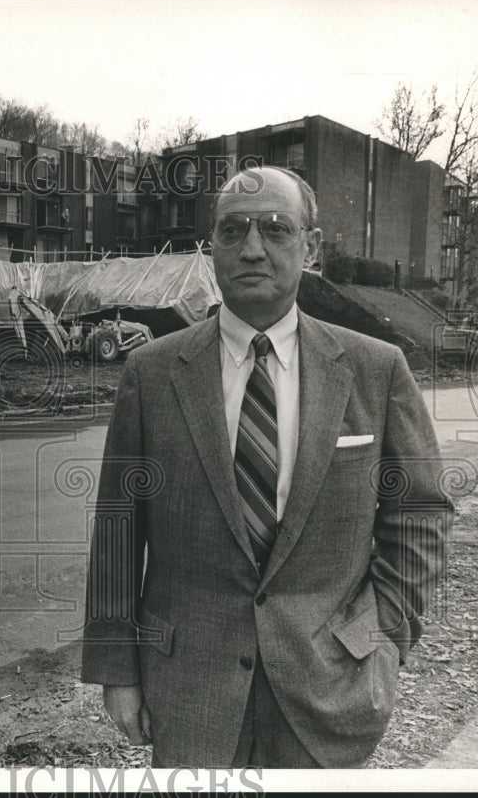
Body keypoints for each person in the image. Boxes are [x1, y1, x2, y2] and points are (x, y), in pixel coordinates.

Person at [80, 165, 452, 768]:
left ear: (311, 247)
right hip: (188, 689)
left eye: (276, 229)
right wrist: (116, 670)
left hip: (329, 684)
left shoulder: (375, 370)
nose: (253, 248)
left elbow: (420, 510)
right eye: (233, 231)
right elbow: (119, 531)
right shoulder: (151, 373)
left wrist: (385, 636)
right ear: (213, 249)